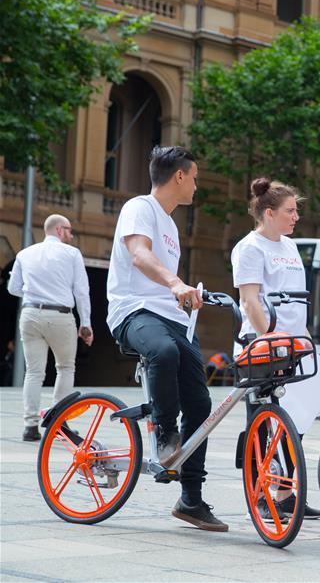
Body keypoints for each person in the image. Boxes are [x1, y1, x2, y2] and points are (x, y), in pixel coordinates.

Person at [107, 146, 227, 532]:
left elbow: (163, 279)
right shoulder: (139, 208)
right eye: (194, 177)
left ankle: (190, 499)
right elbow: (140, 255)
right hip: (132, 312)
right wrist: (176, 282)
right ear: (180, 176)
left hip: (172, 319)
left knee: (202, 405)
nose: (196, 185)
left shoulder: (172, 226)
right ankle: (164, 432)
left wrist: (188, 295)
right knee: (162, 350)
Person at [231, 177, 320, 522]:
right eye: (290, 211)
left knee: (302, 413)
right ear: (269, 213)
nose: (296, 217)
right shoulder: (249, 248)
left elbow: (297, 303)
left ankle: (284, 492)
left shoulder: (290, 248)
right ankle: (262, 496)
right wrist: (272, 338)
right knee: (265, 424)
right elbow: (250, 301)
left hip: (296, 343)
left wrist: (307, 342)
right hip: (263, 345)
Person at [7, 214, 93, 441]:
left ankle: (30, 426)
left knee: (34, 372)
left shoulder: (24, 254)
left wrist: (34, 291)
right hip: (60, 315)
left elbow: (13, 288)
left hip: (30, 314)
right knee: (65, 367)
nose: (71, 235)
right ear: (58, 230)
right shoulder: (72, 254)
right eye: (69, 230)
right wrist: (85, 323)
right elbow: (82, 291)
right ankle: (59, 422)